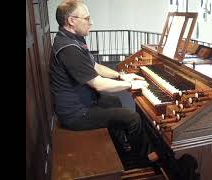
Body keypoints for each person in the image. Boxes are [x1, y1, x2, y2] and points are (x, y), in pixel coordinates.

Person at [50, 0, 158, 162]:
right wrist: (130, 85)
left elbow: (95, 66)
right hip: (76, 114)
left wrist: (121, 76)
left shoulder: (73, 39)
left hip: (84, 102)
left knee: (113, 101)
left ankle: (121, 144)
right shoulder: (69, 48)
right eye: (87, 18)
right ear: (71, 21)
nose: (91, 22)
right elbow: (98, 84)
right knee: (132, 118)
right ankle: (143, 159)